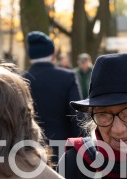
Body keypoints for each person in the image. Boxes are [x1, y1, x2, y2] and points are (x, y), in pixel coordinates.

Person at [22, 31, 84, 165]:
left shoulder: (21, 80)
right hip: (64, 150)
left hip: (30, 151)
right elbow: (77, 116)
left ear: (29, 56)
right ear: (53, 55)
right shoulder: (67, 77)